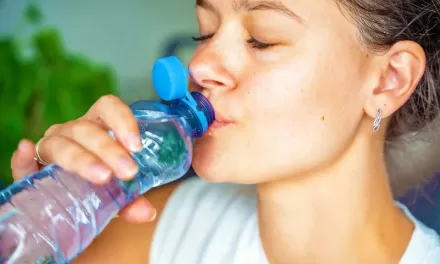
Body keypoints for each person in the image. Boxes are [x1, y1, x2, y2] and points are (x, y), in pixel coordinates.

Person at [9, 0, 440, 263]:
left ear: (389, 80)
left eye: (262, 39)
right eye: (206, 31)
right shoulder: (164, 227)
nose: (199, 66)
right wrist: (44, 216)